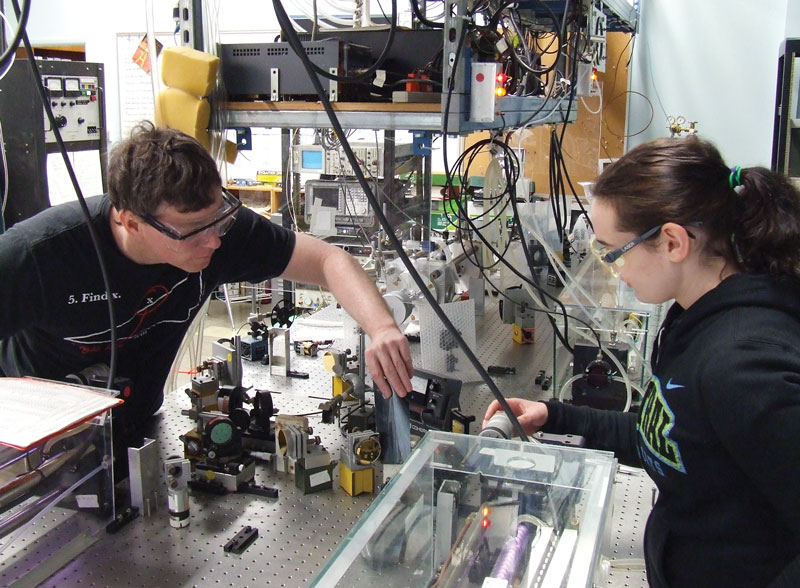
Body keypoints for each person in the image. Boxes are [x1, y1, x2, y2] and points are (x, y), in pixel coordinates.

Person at [483, 136, 800, 587]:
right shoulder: (696, 317)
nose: (615, 269)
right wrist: (554, 416)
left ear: (673, 242)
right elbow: (670, 435)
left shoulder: (743, 365)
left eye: (612, 252)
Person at [0, 121, 413, 438]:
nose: (214, 240)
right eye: (193, 229)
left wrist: (380, 327)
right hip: (43, 447)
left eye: (221, 217)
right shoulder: (39, 255)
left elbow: (328, 260)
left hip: (136, 427)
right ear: (131, 222)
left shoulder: (218, 233)